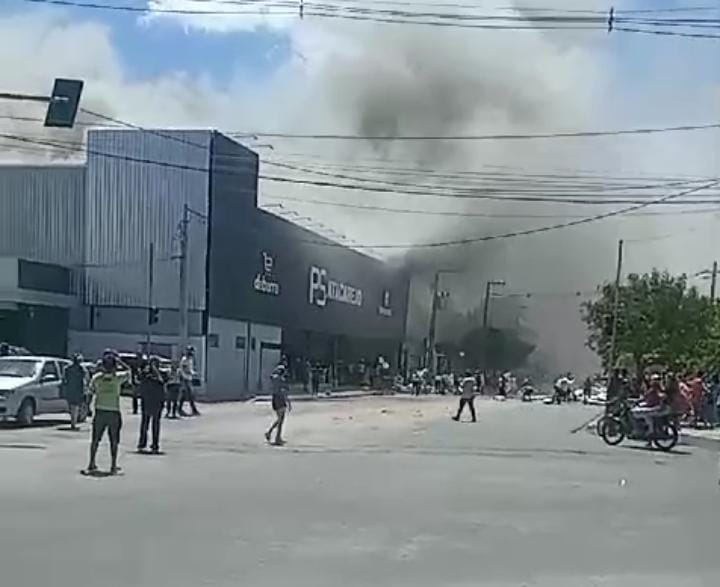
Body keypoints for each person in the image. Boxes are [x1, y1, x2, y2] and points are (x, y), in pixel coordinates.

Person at [85, 350, 130, 474]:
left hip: (100, 410)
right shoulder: (118, 378)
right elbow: (130, 371)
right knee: (114, 440)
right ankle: (113, 465)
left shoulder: (97, 378)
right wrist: (119, 360)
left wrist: (87, 408)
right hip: (113, 412)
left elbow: (90, 393)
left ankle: (91, 463)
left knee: (95, 440)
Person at [137, 356, 166, 454]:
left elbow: (162, 381)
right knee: (144, 424)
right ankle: (142, 443)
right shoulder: (146, 374)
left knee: (156, 425)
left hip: (158, 402)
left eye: (156, 364)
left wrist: (156, 371)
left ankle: (155, 444)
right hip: (147, 402)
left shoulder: (162, 374)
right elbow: (139, 379)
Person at [631, 373, 664, 444]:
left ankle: (639, 430)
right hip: (654, 407)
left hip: (653, 408)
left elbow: (645, 397)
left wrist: (636, 401)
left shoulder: (653, 390)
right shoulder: (659, 389)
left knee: (634, 412)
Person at [265, 365, 291, 445]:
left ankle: (271, 433)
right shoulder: (281, 380)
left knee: (279, 419)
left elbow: (271, 376)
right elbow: (284, 392)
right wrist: (288, 402)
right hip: (280, 399)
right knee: (281, 420)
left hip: (275, 398)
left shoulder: (274, 378)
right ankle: (277, 438)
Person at [62, 354, 87, 430]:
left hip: (71, 389)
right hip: (77, 390)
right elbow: (84, 380)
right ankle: (74, 422)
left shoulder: (68, 368)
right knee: (75, 407)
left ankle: (74, 421)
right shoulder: (81, 369)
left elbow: (64, 380)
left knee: (73, 407)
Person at [178, 346, 200, 416]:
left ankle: (180, 409)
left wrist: (193, 372)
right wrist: (191, 372)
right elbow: (184, 369)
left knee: (186, 395)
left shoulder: (190, 359)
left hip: (188, 378)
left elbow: (190, 369)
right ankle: (193, 410)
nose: (192, 353)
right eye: (190, 351)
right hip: (185, 379)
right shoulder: (184, 359)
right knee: (189, 395)